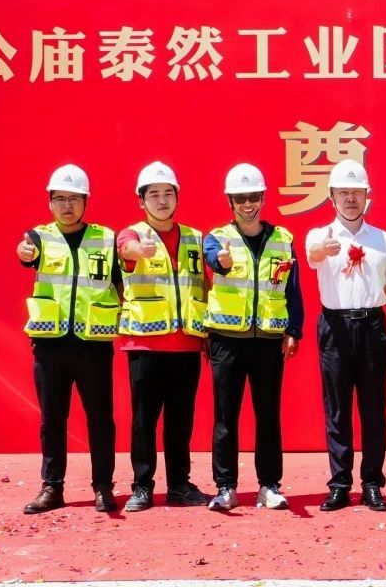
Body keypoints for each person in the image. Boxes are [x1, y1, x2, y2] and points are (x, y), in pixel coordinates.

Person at [17, 164, 120, 514]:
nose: (67, 206)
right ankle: (52, 487)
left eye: (74, 199)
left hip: (94, 344)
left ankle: (103, 487)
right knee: (52, 419)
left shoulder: (106, 239)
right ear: (49, 201)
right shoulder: (39, 238)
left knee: (100, 418)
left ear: (86, 201)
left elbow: (121, 282)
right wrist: (24, 252)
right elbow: (25, 252)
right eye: (59, 198)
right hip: (51, 344)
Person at [201, 162, 304, 511]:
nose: (248, 204)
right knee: (225, 417)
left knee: (268, 415)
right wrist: (221, 261)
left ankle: (269, 486)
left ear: (263, 198)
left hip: (268, 342)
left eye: (253, 197)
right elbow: (213, 259)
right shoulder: (217, 238)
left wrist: (293, 331)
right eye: (240, 198)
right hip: (227, 340)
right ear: (230, 201)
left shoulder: (283, 240)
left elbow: (293, 290)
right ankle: (225, 487)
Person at [305, 159, 386, 513]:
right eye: (343, 193)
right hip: (335, 327)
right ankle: (339, 484)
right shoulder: (319, 235)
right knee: (337, 409)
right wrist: (324, 250)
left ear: (367, 196)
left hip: (373, 327)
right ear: (331, 197)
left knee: (374, 409)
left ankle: (372, 483)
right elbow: (312, 256)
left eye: (356, 192)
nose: (350, 199)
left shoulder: (382, 239)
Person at [116, 161, 211, 512]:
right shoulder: (131, 234)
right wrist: (138, 251)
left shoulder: (195, 238)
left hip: (186, 345)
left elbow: (204, 286)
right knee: (144, 421)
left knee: (180, 421)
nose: (161, 200)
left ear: (177, 197)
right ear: (141, 200)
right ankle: (142, 486)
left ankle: (179, 485)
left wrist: (208, 333)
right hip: (146, 345)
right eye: (153, 194)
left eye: (168, 193)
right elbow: (125, 251)